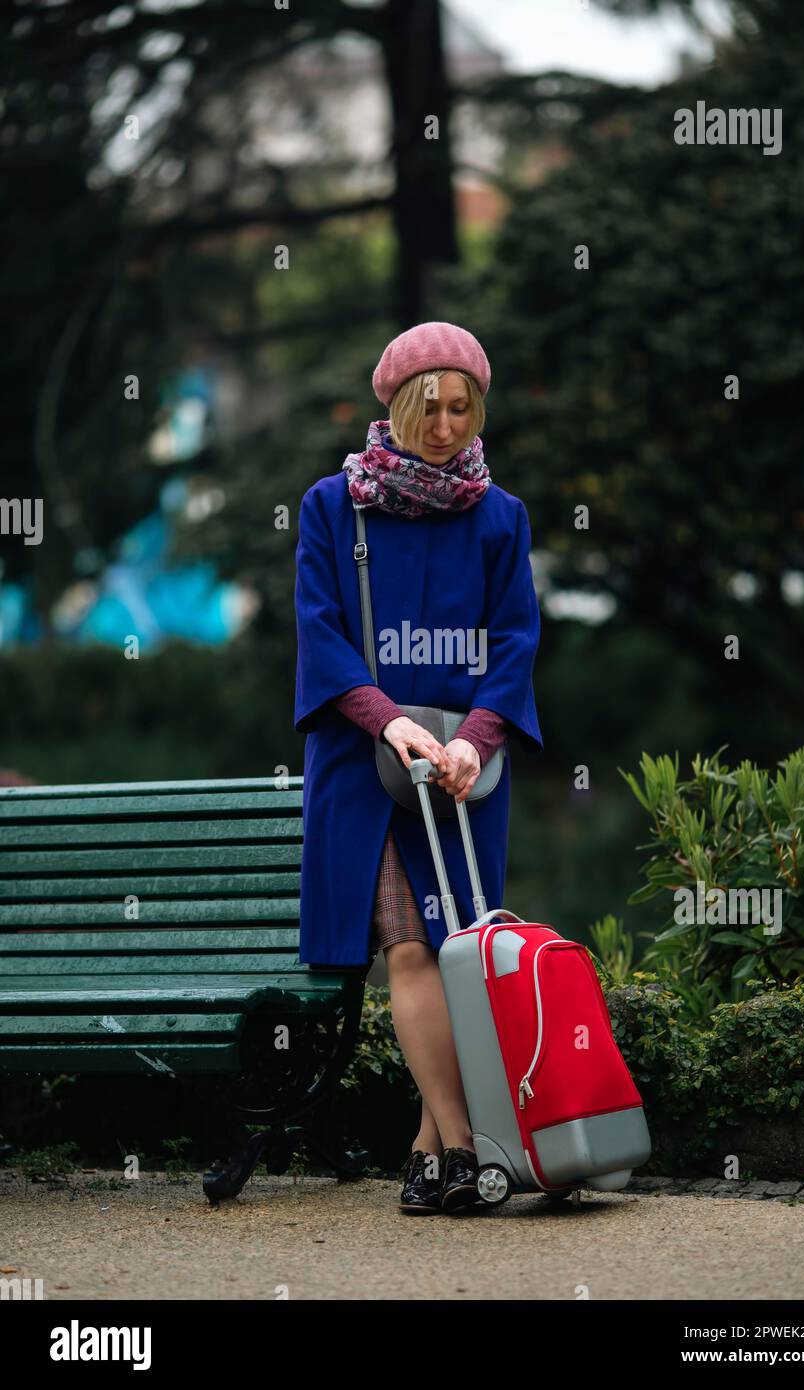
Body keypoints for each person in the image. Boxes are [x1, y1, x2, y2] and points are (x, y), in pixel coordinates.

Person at [293, 321, 543, 1215]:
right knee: (409, 944)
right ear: (397, 405)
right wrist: (392, 724)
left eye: (461, 408)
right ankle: (471, 1149)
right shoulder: (334, 506)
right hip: (368, 766)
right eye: (428, 407)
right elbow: (322, 639)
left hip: (463, 773)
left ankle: (427, 1155)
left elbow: (514, 641)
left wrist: (476, 737)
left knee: (455, 952)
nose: (445, 426)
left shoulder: (500, 516)